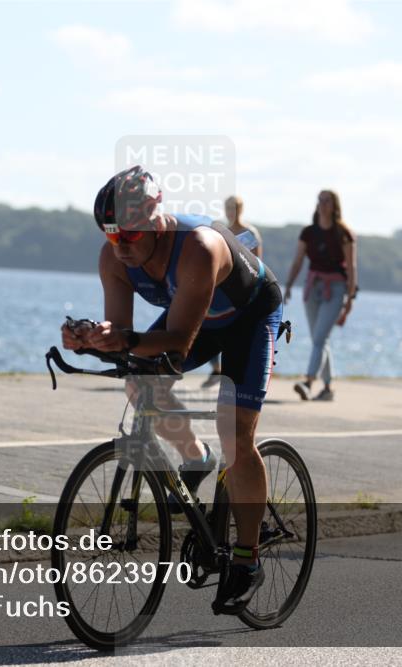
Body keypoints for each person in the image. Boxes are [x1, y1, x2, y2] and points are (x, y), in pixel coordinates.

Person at [61, 165, 284, 614]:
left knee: (237, 436)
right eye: (111, 236)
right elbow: (123, 335)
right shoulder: (114, 258)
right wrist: (91, 337)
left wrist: (122, 339)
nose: (121, 247)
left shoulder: (197, 249)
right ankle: (195, 456)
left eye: (129, 236)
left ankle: (247, 559)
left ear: (155, 221)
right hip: (198, 317)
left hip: (249, 319)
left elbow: (179, 345)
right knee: (137, 379)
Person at [283, 189, 357, 401]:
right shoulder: (309, 233)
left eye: (328, 201)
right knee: (320, 339)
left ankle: (307, 382)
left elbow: (351, 267)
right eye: (320, 200)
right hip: (312, 288)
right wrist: (288, 285)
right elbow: (298, 261)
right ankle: (328, 389)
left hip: (335, 289)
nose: (323, 204)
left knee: (319, 338)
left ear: (335, 206)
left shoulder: (344, 233)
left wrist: (350, 297)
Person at [204, 195, 263, 388]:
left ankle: (237, 374)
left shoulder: (250, 232)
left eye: (234, 207)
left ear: (241, 209)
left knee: (236, 331)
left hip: (242, 288)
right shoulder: (221, 231)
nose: (231, 211)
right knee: (208, 326)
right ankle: (216, 368)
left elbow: (258, 264)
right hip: (221, 287)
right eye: (228, 207)